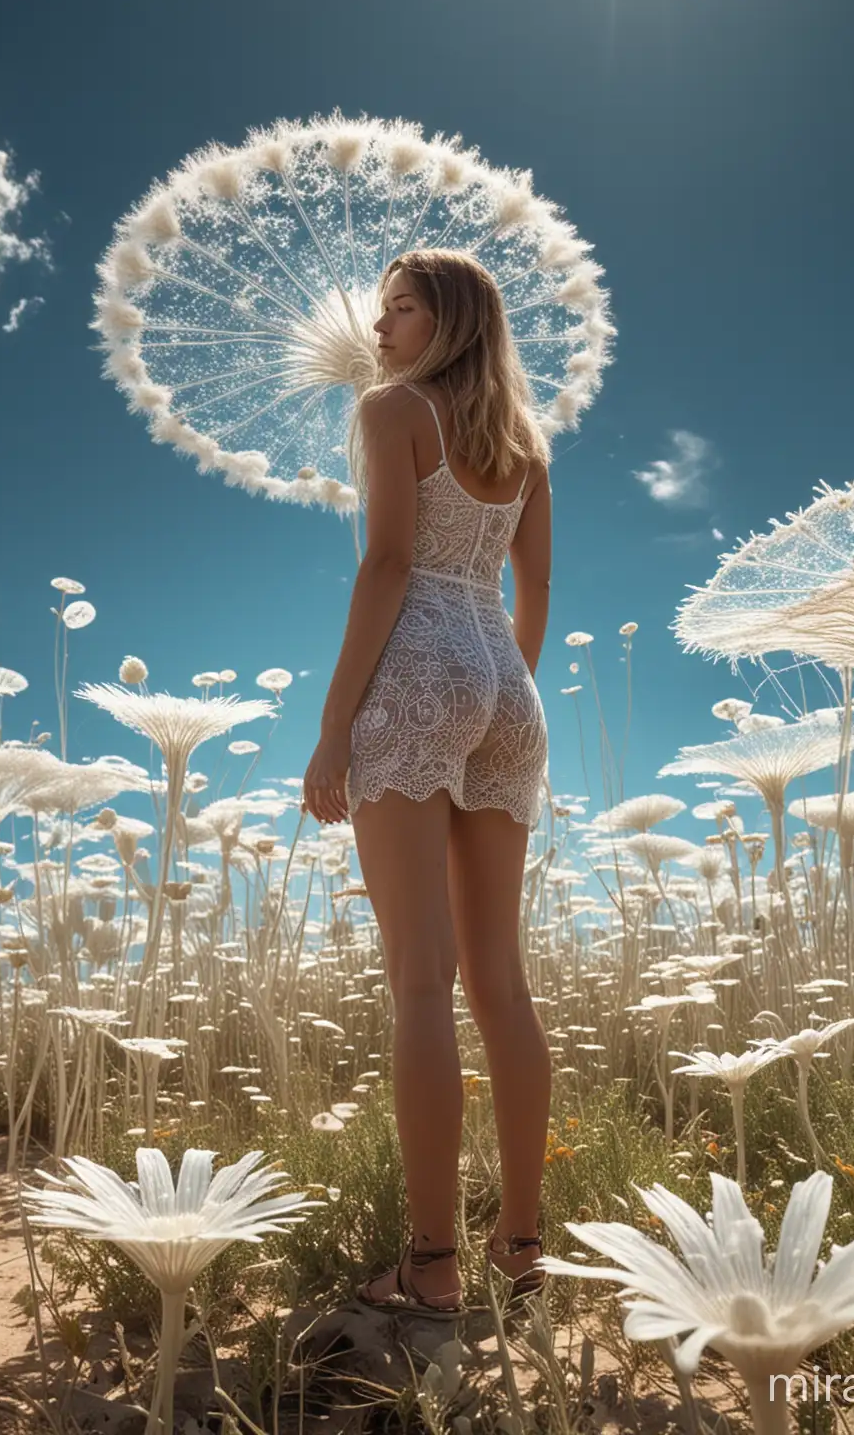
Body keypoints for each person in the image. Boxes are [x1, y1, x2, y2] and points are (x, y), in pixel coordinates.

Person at [301, 248, 553, 1316]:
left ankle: (433, 1267)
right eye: (379, 310)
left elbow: (389, 565)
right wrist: (499, 697)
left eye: (400, 309)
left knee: (418, 979)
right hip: (506, 676)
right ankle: (524, 1248)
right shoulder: (526, 447)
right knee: (500, 983)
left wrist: (331, 733)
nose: (380, 327)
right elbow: (534, 585)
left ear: (446, 320)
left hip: (414, 665)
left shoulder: (391, 410)